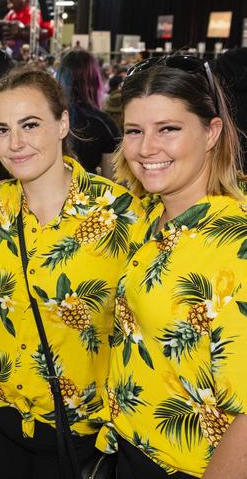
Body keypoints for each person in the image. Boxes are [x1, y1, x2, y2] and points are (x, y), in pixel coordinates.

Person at [0, 66, 139, 478]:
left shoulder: (121, 214)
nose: (14, 144)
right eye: (1, 129)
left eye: (30, 125)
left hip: (80, 430)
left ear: (63, 123)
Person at [107, 56, 247, 478]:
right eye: (135, 131)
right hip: (133, 450)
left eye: (168, 129)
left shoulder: (235, 243)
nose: (147, 148)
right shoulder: (152, 217)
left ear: (211, 132)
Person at [57, 50, 120, 179]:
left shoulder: (47, 118)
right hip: (87, 195)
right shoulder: (104, 124)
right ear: (95, 81)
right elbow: (113, 181)